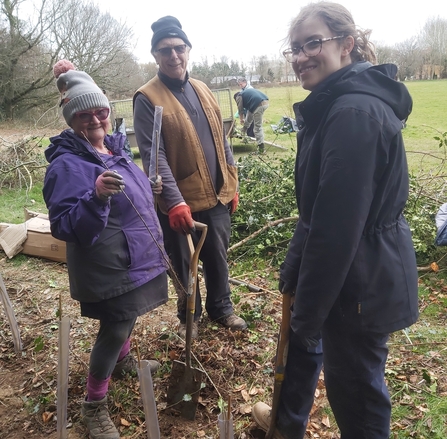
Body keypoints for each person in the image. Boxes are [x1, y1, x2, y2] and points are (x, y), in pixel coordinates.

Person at [252, 2, 419, 438]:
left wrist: (307, 316)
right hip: (352, 272)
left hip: (361, 278)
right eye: (295, 47)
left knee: (358, 397)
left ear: (346, 45)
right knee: (352, 384)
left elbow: (336, 231)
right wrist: (293, 267)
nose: (302, 55)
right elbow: (316, 209)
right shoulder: (334, 104)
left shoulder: (352, 114)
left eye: (313, 43)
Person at [43, 60, 169, 439]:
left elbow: (129, 199)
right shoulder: (66, 165)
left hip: (137, 257)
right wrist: (96, 196)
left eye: (101, 111)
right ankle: (93, 404)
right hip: (109, 264)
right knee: (114, 327)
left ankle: (124, 359)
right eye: (85, 114)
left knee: (127, 318)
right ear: (71, 119)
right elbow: (64, 225)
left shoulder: (113, 148)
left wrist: (150, 186)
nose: (96, 119)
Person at [133, 16, 247, 340]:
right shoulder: (147, 97)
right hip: (180, 202)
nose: (173, 56)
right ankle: (190, 317)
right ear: (155, 55)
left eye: (179, 48)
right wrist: (174, 202)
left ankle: (221, 308)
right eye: (165, 50)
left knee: (218, 256)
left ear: (188, 50)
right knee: (184, 264)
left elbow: (221, 139)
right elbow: (154, 156)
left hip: (216, 194)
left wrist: (231, 181)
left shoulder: (203, 89)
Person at [234, 87, 269, 154]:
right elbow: (249, 115)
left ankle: (261, 150)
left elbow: (240, 109)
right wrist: (244, 127)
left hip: (259, 104)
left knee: (257, 128)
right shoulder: (245, 94)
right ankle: (243, 130)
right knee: (249, 116)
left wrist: (241, 119)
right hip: (264, 102)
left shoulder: (238, 96)